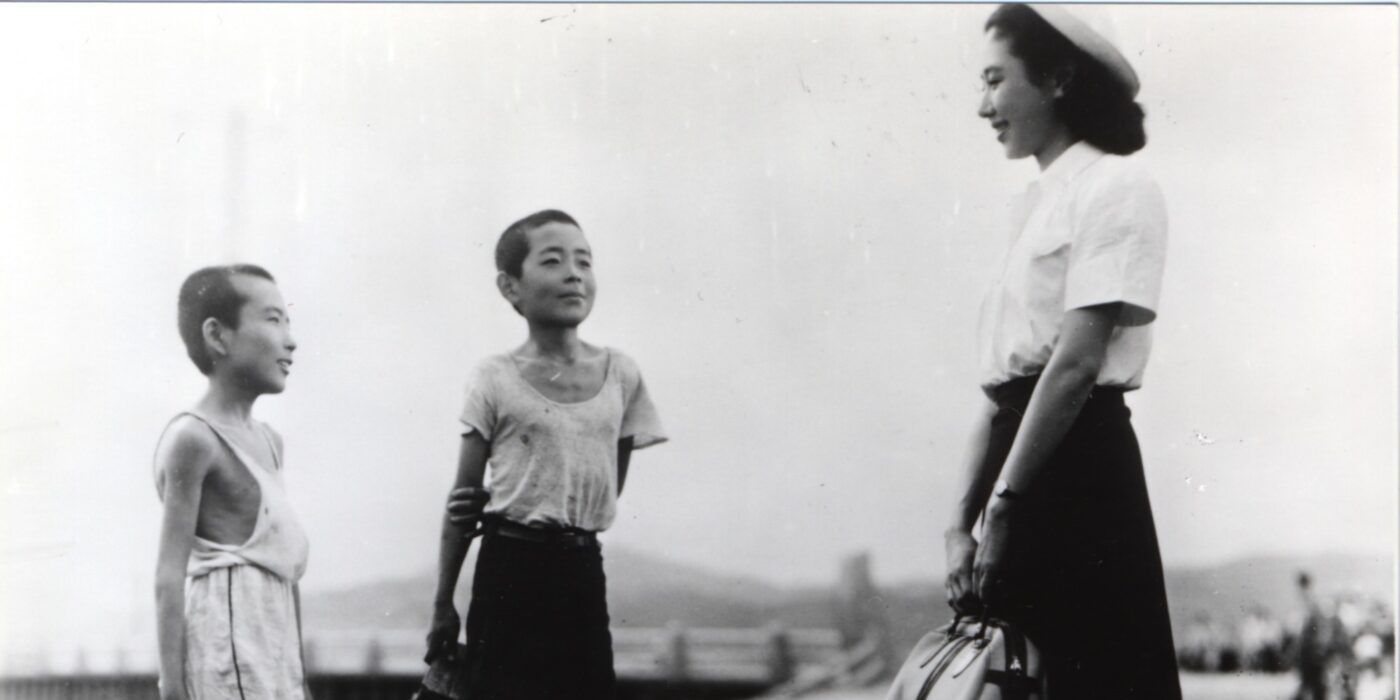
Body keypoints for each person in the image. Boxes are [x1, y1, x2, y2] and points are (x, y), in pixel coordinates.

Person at [940, 4, 1180, 697]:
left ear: (1057, 79)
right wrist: (958, 525)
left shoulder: (1117, 186)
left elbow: (1074, 365)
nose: (983, 105)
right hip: (1019, 469)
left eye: (994, 80)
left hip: (1079, 471)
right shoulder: (1031, 208)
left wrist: (1004, 508)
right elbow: (1000, 392)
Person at [422, 209, 667, 699]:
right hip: (508, 572)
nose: (574, 273)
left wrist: (539, 491)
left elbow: (603, 484)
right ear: (511, 287)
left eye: (584, 261)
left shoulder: (621, 373)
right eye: (553, 261)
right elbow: (463, 499)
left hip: (581, 573)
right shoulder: (493, 377)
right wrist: (443, 604)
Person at [153, 265, 310, 700]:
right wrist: (173, 688)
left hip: (274, 656)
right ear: (218, 336)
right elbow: (169, 574)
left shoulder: (271, 442)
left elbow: (282, 562)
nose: (290, 339)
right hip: (228, 651)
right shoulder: (194, 438)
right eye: (273, 319)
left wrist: (300, 680)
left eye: (288, 321)